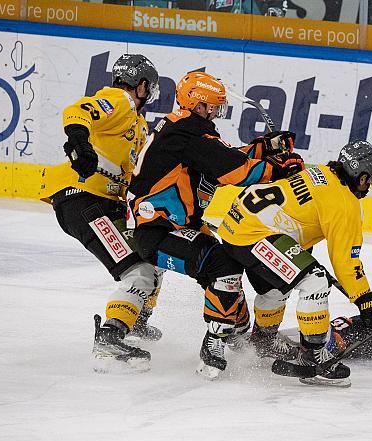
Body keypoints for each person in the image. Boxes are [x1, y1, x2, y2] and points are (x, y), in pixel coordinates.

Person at [126, 70, 303, 378]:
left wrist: (265, 148)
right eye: (211, 107)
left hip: (170, 227)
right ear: (196, 104)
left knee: (228, 261)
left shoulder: (183, 129)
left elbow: (220, 155)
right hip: (158, 230)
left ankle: (238, 334)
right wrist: (278, 170)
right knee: (222, 265)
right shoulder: (189, 132)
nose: (214, 113)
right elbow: (232, 171)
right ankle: (215, 342)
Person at [217, 140, 372, 387]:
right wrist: (366, 300)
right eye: (371, 179)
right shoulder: (344, 203)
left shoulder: (322, 172)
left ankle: (263, 342)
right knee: (315, 280)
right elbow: (345, 262)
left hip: (237, 223)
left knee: (278, 286)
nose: (370, 186)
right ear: (361, 177)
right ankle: (313, 357)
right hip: (255, 234)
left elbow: (300, 216)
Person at [39, 54, 165, 373]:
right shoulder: (119, 100)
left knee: (153, 252)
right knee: (137, 270)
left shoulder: (139, 123)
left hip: (106, 203)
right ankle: (110, 336)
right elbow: (79, 111)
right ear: (141, 84)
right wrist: (80, 142)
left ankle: (134, 318)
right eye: (148, 86)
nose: (149, 92)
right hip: (83, 199)